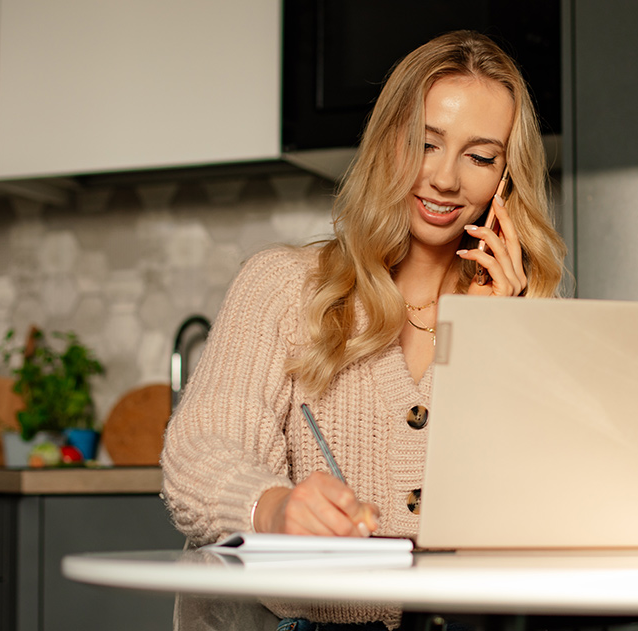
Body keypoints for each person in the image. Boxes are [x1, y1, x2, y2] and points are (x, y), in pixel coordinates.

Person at [160, 29, 567, 630]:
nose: (447, 179)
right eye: (426, 144)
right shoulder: (282, 286)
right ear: (387, 143)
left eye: (480, 157)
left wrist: (499, 341)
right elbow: (202, 452)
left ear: (508, 180)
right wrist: (273, 508)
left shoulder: (529, 314)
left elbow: (549, 517)